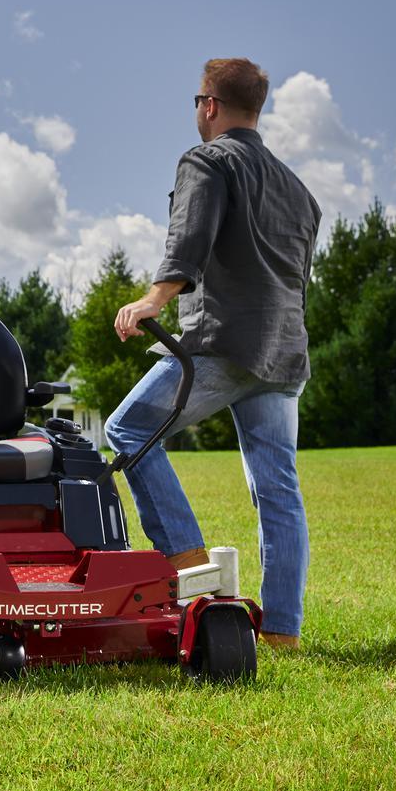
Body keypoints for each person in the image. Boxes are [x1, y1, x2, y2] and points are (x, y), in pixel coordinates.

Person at [106, 58, 321, 649]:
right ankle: (282, 630)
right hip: (284, 354)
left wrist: (155, 297)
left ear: (209, 105)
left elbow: (190, 236)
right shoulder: (298, 190)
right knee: (278, 488)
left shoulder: (207, 160)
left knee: (128, 430)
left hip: (223, 344)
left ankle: (183, 557)